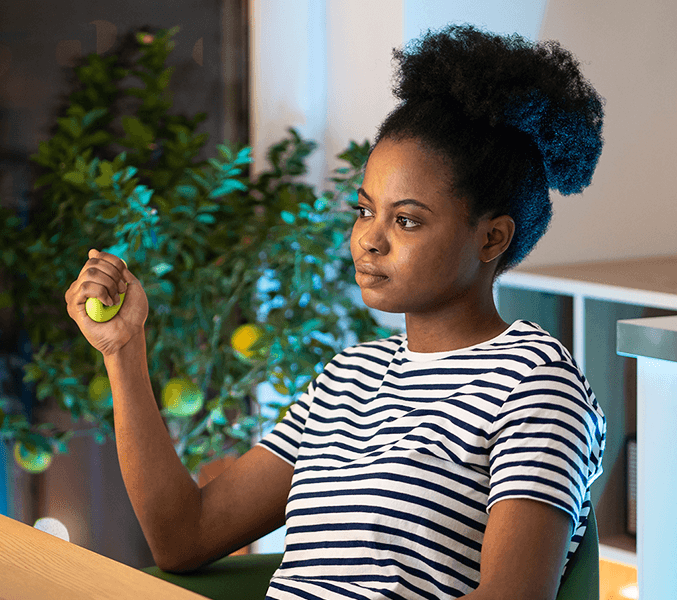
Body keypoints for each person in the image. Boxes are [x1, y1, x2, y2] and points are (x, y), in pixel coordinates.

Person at [65, 24, 606, 600]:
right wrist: (123, 349)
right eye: (365, 210)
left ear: (492, 238)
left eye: (407, 220)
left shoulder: (535, 384)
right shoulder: (348, 379)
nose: (368, 241)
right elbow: (184, 535)